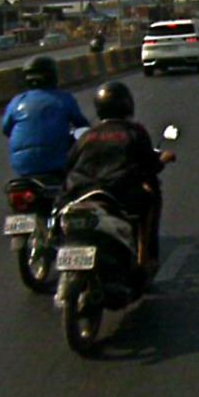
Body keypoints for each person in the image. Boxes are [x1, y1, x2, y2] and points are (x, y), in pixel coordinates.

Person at [60, 81, 175, 275]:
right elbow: (150, 165)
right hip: (117, 192)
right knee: (150, 199)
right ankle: (144, 259)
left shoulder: (87, 135)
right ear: (127, 104)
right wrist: (163, 159)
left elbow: (68, 165)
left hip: (80, 192)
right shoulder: (134, 132)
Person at [2, 56, 90, 178]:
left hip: (21, 166)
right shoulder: (64, 99)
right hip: (56, 163)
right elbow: (83, 127)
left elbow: (6, 129)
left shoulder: (16, 101)